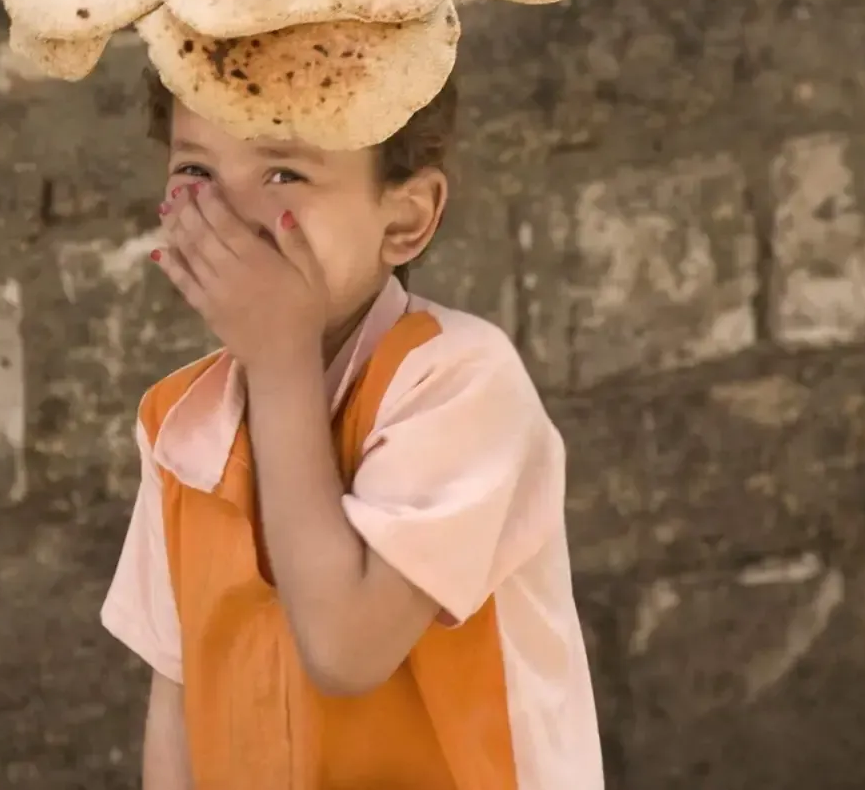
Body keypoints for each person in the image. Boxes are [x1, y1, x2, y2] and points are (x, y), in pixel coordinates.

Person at [101, 71, 604, 789]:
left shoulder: (460, 382)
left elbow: (346, 648)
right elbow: (179, 694)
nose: (231, 212)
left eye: (285, 170)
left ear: (404, 218)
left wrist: (281, 360)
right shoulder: (178, 423)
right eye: (195, 169)